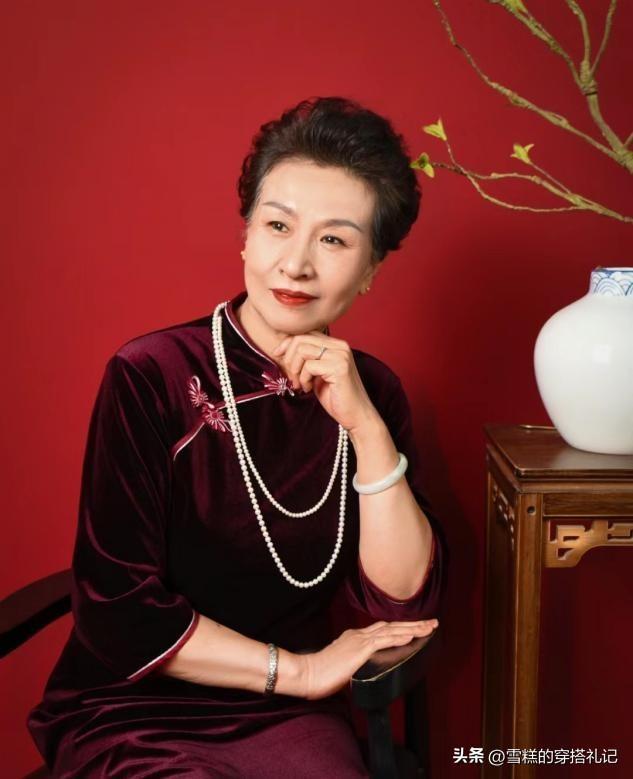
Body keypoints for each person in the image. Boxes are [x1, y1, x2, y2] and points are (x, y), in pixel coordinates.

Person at [27, 96, 449, 778]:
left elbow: (401, 601)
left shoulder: (372, 390)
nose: (296, 263)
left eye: (334, 240)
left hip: (287, 720)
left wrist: (367, 427)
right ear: (246, 236)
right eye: (278, 225)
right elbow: (119, 608)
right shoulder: (152, 373)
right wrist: (300, 671)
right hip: (132, 705)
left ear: (371, 269)